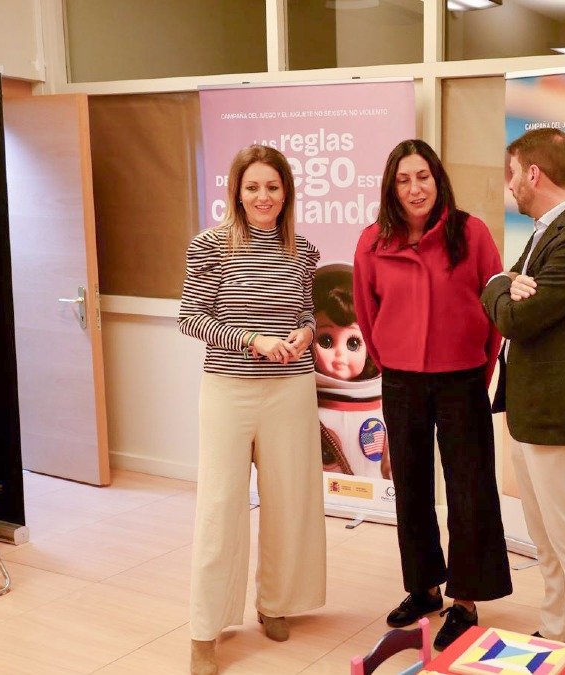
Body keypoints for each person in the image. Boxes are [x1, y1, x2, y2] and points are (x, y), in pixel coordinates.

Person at [353, 139, 512, 650]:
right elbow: (367, 311)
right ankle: (424, 589)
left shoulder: (472, 234)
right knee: (413, 487)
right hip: (401, 378)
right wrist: (391, 360)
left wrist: (478, 370)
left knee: (470, 489)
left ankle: (465, 598)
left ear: (437, 180)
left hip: (461, 378)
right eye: (404, 180)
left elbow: (496, 310)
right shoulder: (373, 242)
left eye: (422, 176)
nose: (415, 188)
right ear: (391, 188)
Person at [178, 144, 325, 675]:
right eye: (253, 187)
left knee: (289, 503)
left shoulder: (302, 250)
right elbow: (191, 318)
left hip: (290, 389)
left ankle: (274, 603)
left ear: (286, 193)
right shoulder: (210, 246)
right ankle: (204, 630)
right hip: (228, 391)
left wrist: (302, 334)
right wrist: (253, 341)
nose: (263, 197)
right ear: (237, 192)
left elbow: (307, 314)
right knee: (220, 508)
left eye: (273, 187)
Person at [481, 127, 565, 643]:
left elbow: (517, 320)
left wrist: (500, 291)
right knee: (545, 539)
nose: (509, 185)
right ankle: (554, 631)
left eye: (512, 173)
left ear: (533, 173)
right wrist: (501, 286)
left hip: (558, 417)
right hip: (531, 410)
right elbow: (500, 282)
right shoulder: (549, 230)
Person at [312, 263, 388, 479]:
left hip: (373, 505)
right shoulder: (303, 410)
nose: (340, 356)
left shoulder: (382, 410)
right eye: (326, 340)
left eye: (353, 343)